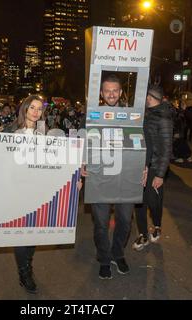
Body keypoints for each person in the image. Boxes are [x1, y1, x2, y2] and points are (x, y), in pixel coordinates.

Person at [0, 95, 81, 294]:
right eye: (32, 108)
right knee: (20, 234)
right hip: (14, 189)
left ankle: (27, 262)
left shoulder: (46, 134)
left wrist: (72, 182)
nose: (36, 112)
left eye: (39, 109)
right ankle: (25, 272)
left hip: (36, 189)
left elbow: (56, 164)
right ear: (25, 109)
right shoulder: (8, 131)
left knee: (31, 233)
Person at [82, 74, 136, 280]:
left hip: (126, 178)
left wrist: (145, 166)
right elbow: (82, 141)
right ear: (101, 93)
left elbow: (142, 141)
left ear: (121, 92)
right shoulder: (91, 116)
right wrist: (82, 163)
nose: (111, 94)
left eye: (115, 90)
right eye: (107, 90)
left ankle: (118, 253)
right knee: (101, 224)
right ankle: (104, 259)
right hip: (99, 178)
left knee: (124, 221)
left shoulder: (132, 115)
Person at [132, 86, 173, 250]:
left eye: (145, 96)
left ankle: (157, 225)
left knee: (154, 202)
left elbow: (167, 148)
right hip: (140, 165)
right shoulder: (146, 114)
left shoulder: (164, 117)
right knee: (139, 201)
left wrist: (160, 175)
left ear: (150, 97)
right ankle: (142, 234)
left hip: (155, 168)